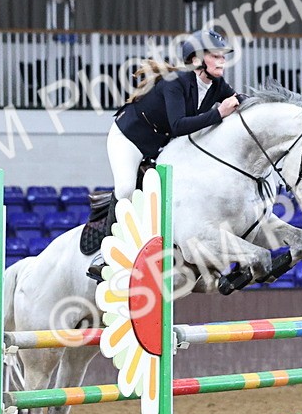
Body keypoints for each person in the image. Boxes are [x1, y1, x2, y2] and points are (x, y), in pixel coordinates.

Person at [84, 29, 242, 280]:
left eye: (223, 56)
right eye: (216, 55)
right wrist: (219, 113)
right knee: (126, 188)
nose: (223, 60)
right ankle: (104, 255)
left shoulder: (216, 85)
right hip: (129, 138)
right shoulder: (175, 83)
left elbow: (238, 101)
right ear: (197, 59)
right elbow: (178, 125)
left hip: (161, 145)